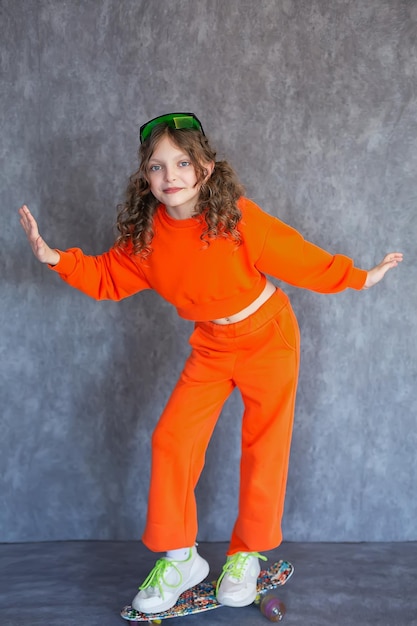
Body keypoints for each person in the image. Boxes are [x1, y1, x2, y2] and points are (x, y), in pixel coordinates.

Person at [18, 112, 403, 614]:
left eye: (182, 162)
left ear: (205, 168)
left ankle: (246, 555)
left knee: (265, 448)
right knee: (172, 439)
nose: (170, 176)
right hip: (213, 346)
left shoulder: (235, 218)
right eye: (156, 167)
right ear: (145, 177)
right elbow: (106, 276)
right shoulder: (147, 237)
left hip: (270, 336)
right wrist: (55, 258)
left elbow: (296, 255)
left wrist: (358, 277)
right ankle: (181, 558)